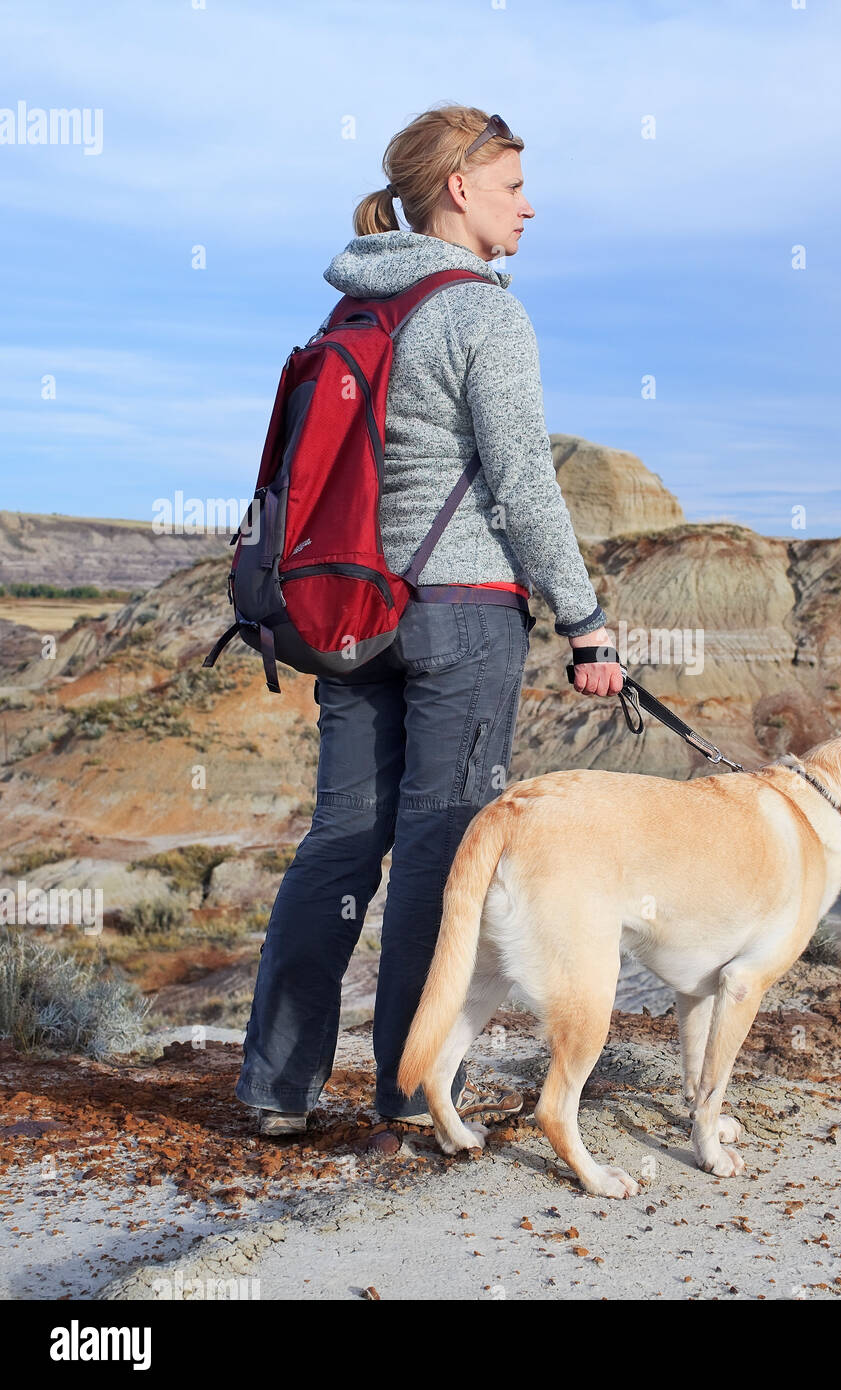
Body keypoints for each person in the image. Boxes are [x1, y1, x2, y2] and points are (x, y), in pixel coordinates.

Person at [236, 103, 624, 1136]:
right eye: (512, 188)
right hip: (460, 615)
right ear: (460, 189)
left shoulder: (353, 312)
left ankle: (276, 1089)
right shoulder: (483, 313)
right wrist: (586, 624)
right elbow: (526, 489)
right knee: (442, 853)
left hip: (354, 615)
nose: (528, 208)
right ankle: (409, 1094)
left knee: (339, 845)